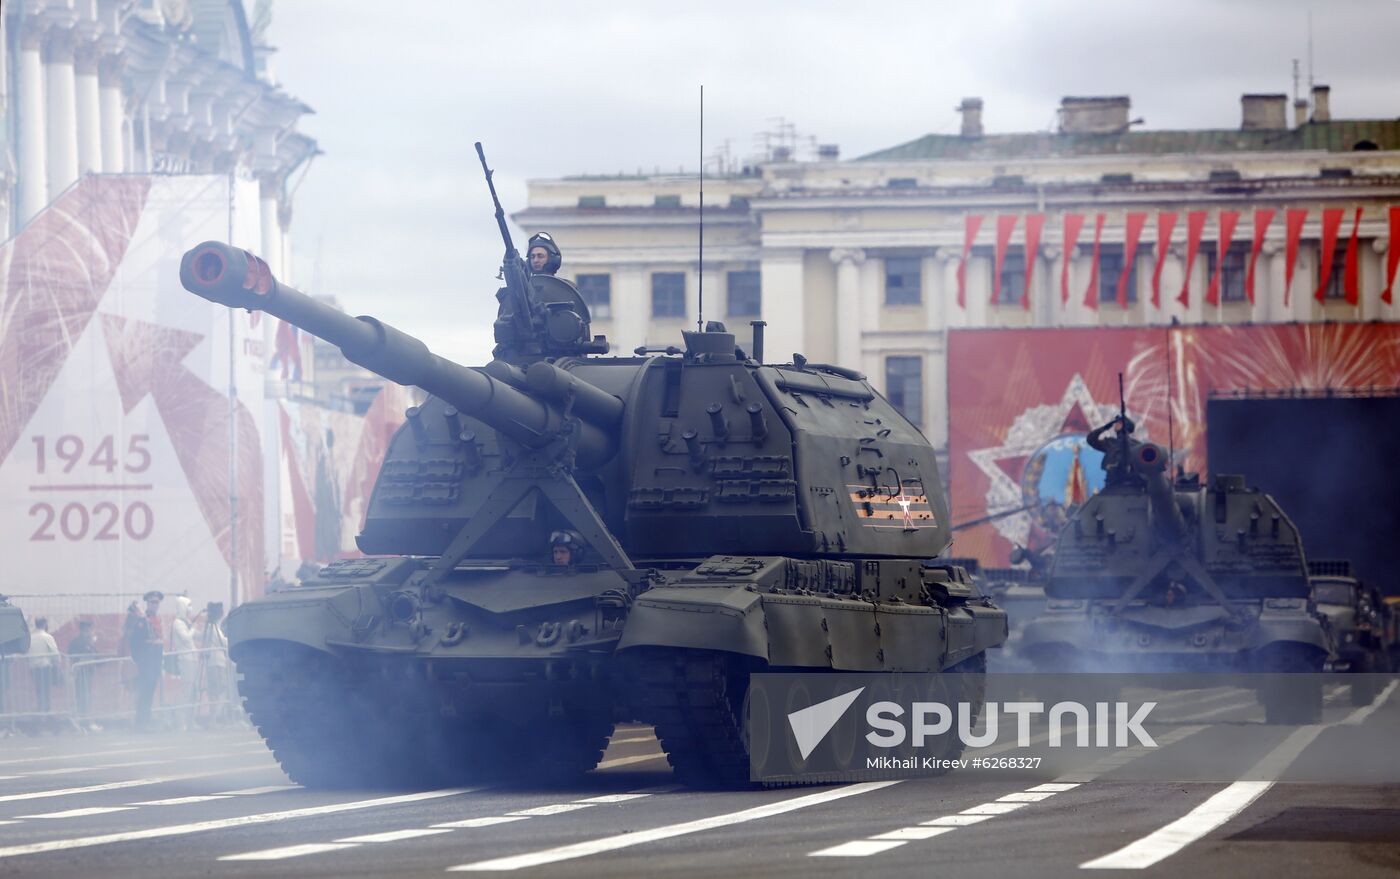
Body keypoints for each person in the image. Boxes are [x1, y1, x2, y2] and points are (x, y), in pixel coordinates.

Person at [125, 591, 164, 730]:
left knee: (149, 694)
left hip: (154, 663)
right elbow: (135, 642)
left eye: (157, 602)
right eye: (152, 602)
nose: (155, 605)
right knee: (144, 694)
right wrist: (140, 661)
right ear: (147, 603)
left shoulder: (156, 620)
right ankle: (141, 722)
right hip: (147, 664)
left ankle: (145, 720)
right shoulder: (143, 621)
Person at [1086, 415, 1138, 486]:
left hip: (1129, 483)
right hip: (1112, 482)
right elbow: (1091, 439)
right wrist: (1104, 428)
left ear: (1125, 426)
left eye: (1119, 423)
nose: (1115, 424)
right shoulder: (1110, 443)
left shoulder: (1135, 445)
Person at [65, 620, 98, 721]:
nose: (90, 631)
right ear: (85, 629)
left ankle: (83, 712)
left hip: (82, 670)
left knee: (82, 691)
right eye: (89, 628)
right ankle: (83, 713)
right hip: (82, 670)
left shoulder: (78, 640)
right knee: (84, 692)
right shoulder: (84, 641)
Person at [26, 618, 59, 714]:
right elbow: (55, 652)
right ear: (44, 624)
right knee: (46, 689)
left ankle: (40, 708)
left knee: (39, 689)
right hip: (45, 666)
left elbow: (27, 652)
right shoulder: (47, 637)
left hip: (33, 667)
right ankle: (46, 709)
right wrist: (57, 663)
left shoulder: (31, 637)